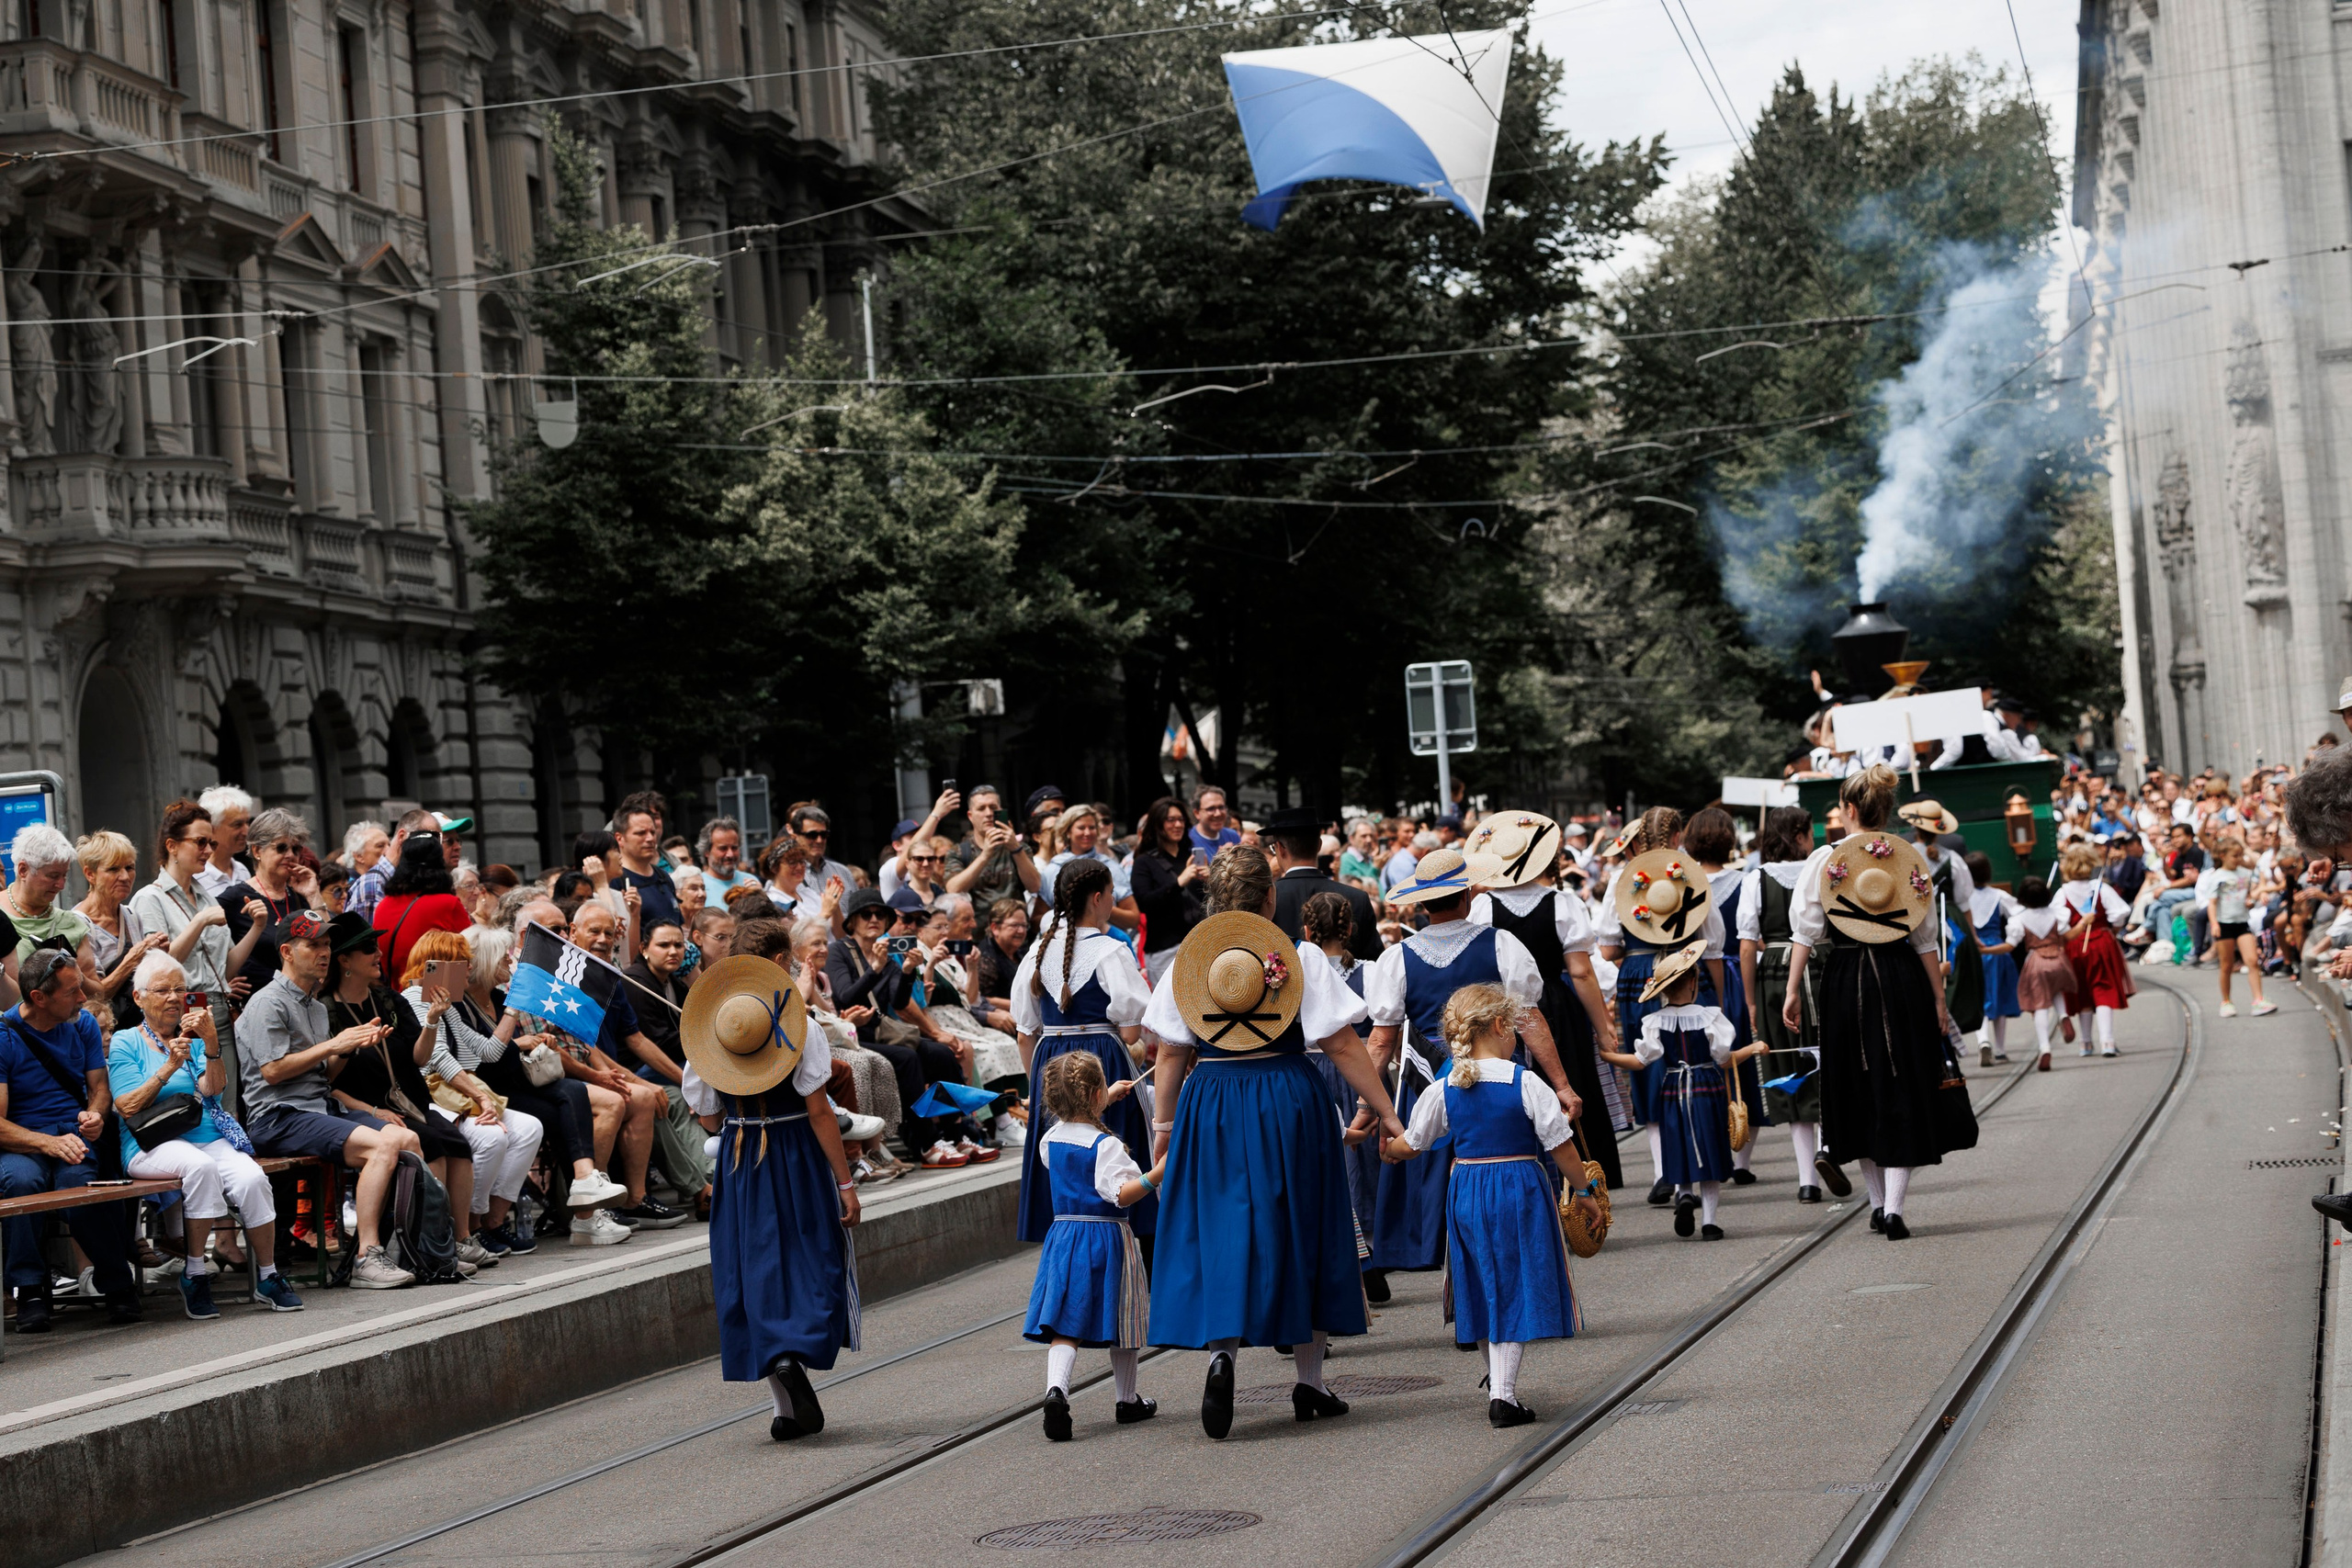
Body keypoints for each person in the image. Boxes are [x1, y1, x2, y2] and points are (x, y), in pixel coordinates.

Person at [1143, 846, 1407, 1438]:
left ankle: (1223, 1357)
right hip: (1287, 1096)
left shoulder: (1191, 961)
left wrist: (1164, 1130)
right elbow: (1342, 1044)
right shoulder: (1299, 956)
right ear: (1270, 897)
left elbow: (1171, 1052)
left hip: (1211, 1100)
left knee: (1223, 1227)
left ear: (1214, 900)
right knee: (1306, 1225)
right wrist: (1386, 1112)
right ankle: (1310, 1381)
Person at [1361, 847, 1578, 1297]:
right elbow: (1529, 1020)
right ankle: (1510, 1286)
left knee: (1446, 1183)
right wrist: (1561, 1086)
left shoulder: (1396, 957)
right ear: (1466, 895)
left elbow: (1381, 1041)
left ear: (1422, 903)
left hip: (1428, 1083)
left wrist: (1367, 1107)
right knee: (1502, 1173)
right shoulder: (1501, 944)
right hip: (1498, 1080)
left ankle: (1463, 1289)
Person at [1386, 981, 1596, 1427]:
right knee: (1514, 1282)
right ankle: (1503, 1394)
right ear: (1500, 1026)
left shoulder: (1445, 1087)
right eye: (1514, 1028)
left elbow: (1415, 1142)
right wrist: (1584, 1193)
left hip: (1466, 1189)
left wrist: (1390, 1149)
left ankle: (1497, 1380)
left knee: (1481, 1281)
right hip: (1519, 1189)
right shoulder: (1525, 1081)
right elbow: (1561, 1147)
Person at [679, 953, 860, 1442]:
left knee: (752, 1268)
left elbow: (709, 1118)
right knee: (812, 1257)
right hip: (795, 1150)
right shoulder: (802, 1032)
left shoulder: (709, 1040)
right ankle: (791, 1357)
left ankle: (784, 1403)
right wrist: (846, 1183)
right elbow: (820, 1112)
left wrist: (732, 1074)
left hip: (740, 1160)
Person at [1780, 765, 1962, 1241]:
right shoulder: (1907, 859)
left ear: (1849, 809)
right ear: (1885, 809)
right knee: (1901, 1082)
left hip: (1845, 978)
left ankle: (1880, 1204)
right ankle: (1894, 1208)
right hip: (1900, 976)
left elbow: (1805, 932)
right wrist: (1939, 999)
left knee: (1857, 1084)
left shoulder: (1825, 859)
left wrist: (1793, 989)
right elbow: (1925, 940)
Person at [237, 909, 426, 1289]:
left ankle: (404, 1246)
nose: (324, 952)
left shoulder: (316, 1006)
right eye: (313, 945)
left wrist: (350, 1047)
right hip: (278, 1116)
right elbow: (272, 1071)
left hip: (317, 1108)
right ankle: (367, 1256)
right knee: (382, 1146)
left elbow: (324, 1077)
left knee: (408, 1140)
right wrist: (333, 1044)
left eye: (326, 944)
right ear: (287, 952)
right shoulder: (267, 1002)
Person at [109, 950, 301, 1315]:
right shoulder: (125, 1041)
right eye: (162, 990)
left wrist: (211, 1044)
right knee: (200, 1167)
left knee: (252, 1178)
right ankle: (194, 1272)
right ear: (139, 997)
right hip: (149, 1143)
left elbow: (212, 1089)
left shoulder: (195, 1039)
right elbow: (127, 1105)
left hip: (206, 1136)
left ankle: (269, 1275)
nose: (173, 998)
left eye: (180, 990)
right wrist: (169, 1066)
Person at [1465, 811, 1626, 1190]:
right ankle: (1583, 1180)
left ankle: (1529, 1176)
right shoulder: (1563, 903)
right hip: (1556, 1004)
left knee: (1513, 1088)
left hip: (1501, 1009)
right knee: (1568, 1084)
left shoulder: (1484, 907)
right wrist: (1603, 1027)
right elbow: (1582, 973)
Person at [1012, 860, 1154, 1256]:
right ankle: (1134, 1244)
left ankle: (1067, 1248)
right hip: (1100, 1060)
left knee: (1063, 1155)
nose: (1113, 901)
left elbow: (1024, 1033)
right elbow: (1130, 1033)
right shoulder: (1111, 951)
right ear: (1097, 898)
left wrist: (1041, 1088)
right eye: (1111, 894)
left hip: (1051, 1063)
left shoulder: (1036, 953)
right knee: (1119, 1148)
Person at [1024, 1051, 1163, 1441]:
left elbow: (1073, 1137)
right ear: (1095, 1094)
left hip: (1064, 1237)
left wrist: (1105, 1098)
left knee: (1065, 1322)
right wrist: (1157, 1173)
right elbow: (1121, 1194)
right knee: (1124, 1317)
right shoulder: (1107, 1146)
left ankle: (1056, 1391)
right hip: (1107, 1237)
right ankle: (1127, 1399)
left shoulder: (1051, 1138)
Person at [465, 915, 627, 1248]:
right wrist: (518, 1041)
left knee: (572, 1094)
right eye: (503, 957)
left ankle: (585, 1189)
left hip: (516, 1081)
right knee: (565, 1111)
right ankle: (580, 1213)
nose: (510, 962)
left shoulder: (496, 997)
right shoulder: (465, 1004)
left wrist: (532, 1042)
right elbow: (484, 1057)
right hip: (488, 1090)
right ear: (484, 963)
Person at [0, 949, 141, 1329]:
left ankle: (117, 1282)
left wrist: (95, 1114)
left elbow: (99, 1089)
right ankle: (29, 1290)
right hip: (21, 1141)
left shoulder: (83, 1024)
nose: (83, 997)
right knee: (21, 1184)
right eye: (72, 991)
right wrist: (46, 1143)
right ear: (39, 998)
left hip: (73, 1134)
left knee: (80, 1188)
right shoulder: (4, 1035)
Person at [1599, 809, 1727, 1205]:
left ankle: (1661, 1172)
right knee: (1692, 1061)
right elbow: (1714, 943)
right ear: (1676, 838)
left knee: (1650, 1067)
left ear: (1638, 839)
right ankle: (1698, 1163)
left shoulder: (1621, 879)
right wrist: (1719, 1000)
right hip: (1687, 969)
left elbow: (1607, 948)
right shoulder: (1689, 873)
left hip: (1639, 974)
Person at [1599, 942, 1763, 1239]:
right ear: (1692, 983)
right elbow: (1724, 1060)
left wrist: (1607, 1056)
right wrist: (1753, 1048)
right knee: (1710, 1150)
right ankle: (1710, 1223)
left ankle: (1684, 1195)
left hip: (1673, 1090)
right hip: (1706, 1088)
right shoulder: (1710, 1016)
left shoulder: (1655, 1021)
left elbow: (1639, 1061)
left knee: (1680, 1146)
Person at [398, 930, 547, 1254]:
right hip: (433, 1099)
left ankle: (491, 1221)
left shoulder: (447, 1003)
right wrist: (481, 1098)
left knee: (529, 1128)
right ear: (440, 965)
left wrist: (513, 1005)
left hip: (456, 1094)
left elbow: (490, 1051)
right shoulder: (415, 997)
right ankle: (470, 1227)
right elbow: (437, 1059)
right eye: (462, 962)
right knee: (491, 1137)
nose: (469, 968)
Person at [1738, 805, 1846, 1202]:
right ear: (1799, 835)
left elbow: (1746, 946)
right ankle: (1829, 1149)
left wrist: (1750, 1001)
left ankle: (1806, 1181)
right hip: (1826, 966)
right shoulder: (1825, 867)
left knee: (1791, 1071)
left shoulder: (1757, 879)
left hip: (1775, 976)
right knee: (1831, 1063)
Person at [626, 919, 716, 1212]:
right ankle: (709, 1179)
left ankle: (717, 1173)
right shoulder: (636, 983)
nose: (673, 951)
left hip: (674, 1065)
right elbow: (661, 1042)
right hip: (638, 1069)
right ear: (644, 948)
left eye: (678, 945)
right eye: (663, 945)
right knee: (677, 1099)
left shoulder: (674, 982)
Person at [129, 801, 237, 1038]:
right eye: (200, 842)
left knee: (223, 1066)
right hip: (177, 1012)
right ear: (172, 846)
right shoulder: (150, 898)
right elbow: (158, 971)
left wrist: (257, 927)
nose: (208, 851)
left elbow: (226, 967)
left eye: (212, 843)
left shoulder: (207, 898)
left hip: (219, 1009)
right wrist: (200, 921)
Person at [216, 807, 328, 992]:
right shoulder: (235, 898)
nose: (290, 855)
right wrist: (223, 985)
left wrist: (313, 894)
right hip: (257, 1001)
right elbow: (211, 957)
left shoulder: (300, 895)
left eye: (296, 849)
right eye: (281, 848)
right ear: (257, 851)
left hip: (302, 999)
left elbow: (329, 944)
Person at [1266, 807, 1380, 964]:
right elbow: (1375, 963)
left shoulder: (1267, 899)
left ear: (1280, 848)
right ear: (1319, 845)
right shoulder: (1358, 898)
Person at [74, 829, 165, 1021]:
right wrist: (133, 959)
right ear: (90, 874)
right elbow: (93, 997)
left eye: (130, 868)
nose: (125, 877)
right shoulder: (78, 924)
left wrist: (157, 955)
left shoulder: (131, 915)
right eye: (113, 869)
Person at [2056, 841, 2134, 1057]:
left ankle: (2085, 1043)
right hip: (2101, 942)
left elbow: (2059, 924)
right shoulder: (2101, 888)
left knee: (2082, 992)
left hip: (2074, 946)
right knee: (2103, 989)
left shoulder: (2062, 893)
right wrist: (2112, 929)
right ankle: (2107, 1041)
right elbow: (2119, 914)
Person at [371, 829, 472, 979]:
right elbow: (471, 952)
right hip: (432, 990)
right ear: (439, 863)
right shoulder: (448, 904)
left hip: (392, 991)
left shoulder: (383, 905)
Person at [1128, 796, 1208, 985]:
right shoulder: (1144, 862)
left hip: (1199, 944)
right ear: (1158, 824)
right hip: (1164, 950)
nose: (1178, 825)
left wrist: (1210, 880)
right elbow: (1145, 903)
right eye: (1170, 820)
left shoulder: (1189, 857)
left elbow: (1206, 902)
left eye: (1181, 820)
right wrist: (1179, 883)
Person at [2199, 839, 2276, 1020]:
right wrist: (2214, 923)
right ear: (2223, 856)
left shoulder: (2245, 873)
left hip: (2242, 922)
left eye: (2241, 855)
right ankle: (2226, 1001)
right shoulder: (2217, 876)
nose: (2239, 859)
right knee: (2226, 965)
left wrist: (2250, 901)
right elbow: (2212, 903)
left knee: (2252, 960)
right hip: (2224, 924)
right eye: (2235, 856)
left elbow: (2248, 895)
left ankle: (2258, 999)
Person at [6, 825, 95, 974]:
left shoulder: (70, 923)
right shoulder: (2, 916)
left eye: (64, 875)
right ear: (23, 870)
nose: (61, 885)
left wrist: (70, 970)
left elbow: (95, 986)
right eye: (53, 876)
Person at [2011, 877, 2076, 1072]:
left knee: (2039, 1005)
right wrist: (2083, 924)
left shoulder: (2019, 918)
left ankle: (2045, 1047)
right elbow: (2068, 934)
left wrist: (1986, 950)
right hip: (2058, 959)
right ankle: (2063, 1015)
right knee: (2056, 989)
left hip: (2036, 961)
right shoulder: (2057, 913)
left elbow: (2012, 942)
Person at [1965, 852, 2023, 1066]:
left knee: (1978, 998)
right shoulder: (1999, 896)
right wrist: (2011, 940)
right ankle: (2000, 1049)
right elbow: (2018, 916)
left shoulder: (1963, 899)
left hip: (1973, 951)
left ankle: (1983, 1041)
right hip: (1997, 950)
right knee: (1999, 998)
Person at [944, 787, 1041, 913]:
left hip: (1015, 922)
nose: (989, 813)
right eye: (981, 809)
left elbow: (1035, 886)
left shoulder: (1019, 848)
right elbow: (953, 890)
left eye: (993, 807)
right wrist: (985, 856)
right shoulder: (958, 852)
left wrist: (1015, 848)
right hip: (977, 923)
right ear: (970, 816)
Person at [195, 784, 254, 897]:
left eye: (247, 822)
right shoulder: (195, 876)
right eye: (237, 825)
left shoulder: (242, 871)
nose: (246, 831)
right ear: (212, 828)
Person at [1187, 786, 1241, 860]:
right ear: (1197, 813)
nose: (1218, 813)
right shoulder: (1187, 839)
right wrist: (1221, 858)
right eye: (1211, 809)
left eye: (1221, 807)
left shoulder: (1232, 836)